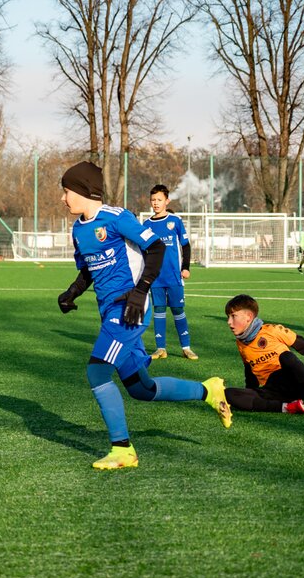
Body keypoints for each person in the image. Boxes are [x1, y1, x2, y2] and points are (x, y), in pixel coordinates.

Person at [56, 161, 232, 470]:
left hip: (129, 308)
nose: (63, 198)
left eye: (66, 191)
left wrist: (141, 290)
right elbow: (88, 270)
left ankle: (122, 449)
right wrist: (71, 292)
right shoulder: (79, 229)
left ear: (84, 191)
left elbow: (156, 248)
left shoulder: (117, 218)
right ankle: (208, 390)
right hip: (110, 311)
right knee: (141, 389)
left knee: (97, 373)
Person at [222, 294, 304, 417]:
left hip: (296, 383)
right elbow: (249, 372)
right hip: (272, 391)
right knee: (228, 394)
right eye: (228, 317)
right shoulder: (240, 343)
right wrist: (248, 393)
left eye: (233, 316)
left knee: (286, 356)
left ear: (249, 317)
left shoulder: (272, 330)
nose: (229, 322)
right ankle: (287, 407)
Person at [142, 184, 197, 360]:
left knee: (178, 309)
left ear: (167, 201)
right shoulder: (146, 224)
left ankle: (186, 347)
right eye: (153, 200)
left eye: (159, 199)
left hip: (173, 275)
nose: (156, 203)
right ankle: (160, 348)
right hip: (156, 277)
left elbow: (185, 245)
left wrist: (185, 267)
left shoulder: (175, 221)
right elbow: (143, 250)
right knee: (158, 310)